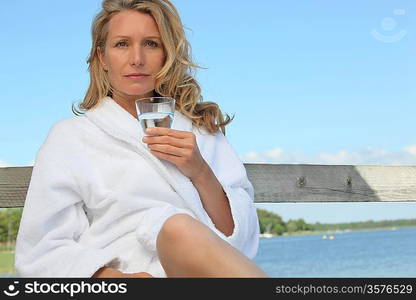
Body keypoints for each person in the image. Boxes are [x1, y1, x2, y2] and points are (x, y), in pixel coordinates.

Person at [14, 0, 267, 278]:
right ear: (102, 57)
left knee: (175, 226)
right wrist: (120, 281)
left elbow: (240, 239)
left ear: (167, 54)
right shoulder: (70, 138)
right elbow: (41, 250)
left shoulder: (200, 128)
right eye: (122, 44)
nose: (137, 58)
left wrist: (201, 172)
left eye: (151, 44)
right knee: (175, 226)